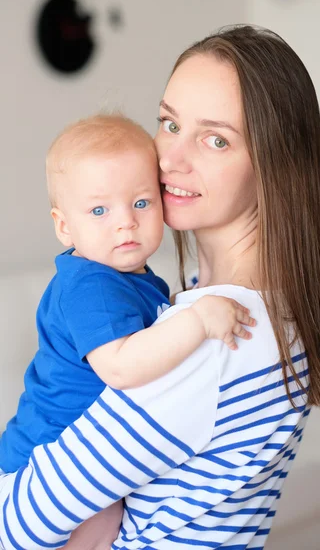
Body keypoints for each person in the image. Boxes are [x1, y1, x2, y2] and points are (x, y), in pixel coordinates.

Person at [0, 25, 320, 550]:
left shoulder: (215, 334)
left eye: (216, 139)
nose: (169, 159)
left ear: (275, 166)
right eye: (169, 122)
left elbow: (19, 524)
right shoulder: (247, 307)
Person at [0, 115, 256, 542]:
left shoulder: (129, 277)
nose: (125, 222)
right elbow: (122, 367)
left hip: (81, 460)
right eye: (99, 210)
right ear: (64, 226)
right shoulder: (89, 286)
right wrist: (196, 319)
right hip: (42, 462)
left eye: (141, 203)